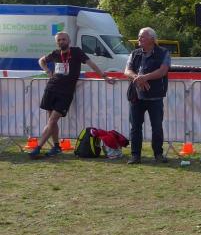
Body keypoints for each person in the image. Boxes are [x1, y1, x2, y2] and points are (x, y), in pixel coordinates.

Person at [28, 32, 115, 158]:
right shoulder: (55, 53)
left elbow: (91, 64)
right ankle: (56, 146)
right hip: (51, 88)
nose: (61, 42)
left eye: (63, 39)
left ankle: (38, 147)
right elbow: (41, 60)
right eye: (59, 40)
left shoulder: (76, 52)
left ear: (69, 40)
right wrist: (47, 71)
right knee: (51, 121)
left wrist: (104, 76)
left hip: (65, 92)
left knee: (52, 120)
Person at [125, 27, 170, 165]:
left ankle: (158, 154)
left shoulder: (163, 52)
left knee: (157, 127)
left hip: (155, 96)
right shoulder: (135, 53)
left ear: (152, 39)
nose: (139, 39)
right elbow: (127, 70)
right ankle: (135, 156)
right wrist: (138, 78)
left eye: (142, 36)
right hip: (136, 96)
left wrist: (145, 77)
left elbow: (163, 71)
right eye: (139, 36)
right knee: (135, 127)